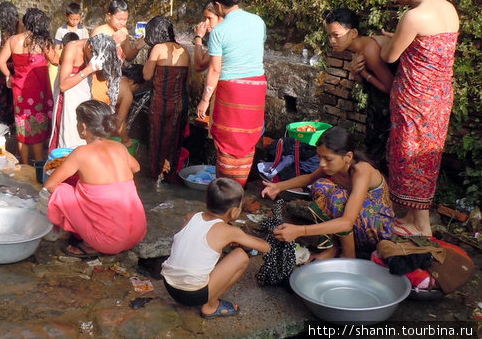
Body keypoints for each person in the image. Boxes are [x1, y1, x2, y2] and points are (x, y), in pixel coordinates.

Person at [374, 0, 459, 237]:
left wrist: (387, 40)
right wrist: (397, 36)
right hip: (439, 96)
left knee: (410, 158)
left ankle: (420, 226)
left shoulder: (413, 16)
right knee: (425, 159)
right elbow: (426, 49)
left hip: (415, 97)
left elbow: (389, 55)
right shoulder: (447, 7)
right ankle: (413, 217)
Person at [261, 126, 395, 259]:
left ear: (348, 156)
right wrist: (278, 187)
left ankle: (348, 256)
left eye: (328, 159)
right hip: (353, 223)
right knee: (320, 186)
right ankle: (335, 247)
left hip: (375, 229)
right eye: (320, 157)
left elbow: (347, 222)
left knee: (337, 198)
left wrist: (300, 231)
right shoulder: (333, 166)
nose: (322, 164)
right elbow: (309, 178)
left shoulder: (361, 170)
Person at [45, 100, 147, 257]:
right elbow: (136, 168)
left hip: (109, 242)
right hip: (138, 234)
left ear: (84, 127)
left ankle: (89, 243)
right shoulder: (119, 147)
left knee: (62, 190)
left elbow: (50, 185)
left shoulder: (81, 153)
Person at [161, 178, 270, 318]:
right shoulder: (229, 232)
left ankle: (206, 297)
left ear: (207, 201)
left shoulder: (192, 217)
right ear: (233, 212)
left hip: (169, 286)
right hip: (192, 295)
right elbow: (265, 247)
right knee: (240, 256)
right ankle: (211, 306)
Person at [197, 0, 267, 187]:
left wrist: (204, 99)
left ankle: (226, 191)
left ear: (217, 5)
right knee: (247, 138)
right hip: (256, 89)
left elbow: (215, 69)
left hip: (233, 91)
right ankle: (241, 187)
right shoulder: (258, 22)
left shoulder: (219, 31)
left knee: (228, 142)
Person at [323, 9, 394, 167]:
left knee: (379, 155)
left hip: (388, 110)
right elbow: (367, 83)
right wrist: (356, 73)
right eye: (330, 35)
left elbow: (389, 87)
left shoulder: (369, 49)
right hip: (377, 107)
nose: (332, 41)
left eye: (337, 35)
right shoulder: (359, 50)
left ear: (353, 32)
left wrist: (363, 73)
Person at [0, 8, 58, 165]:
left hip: (20, 89)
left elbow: (0, 62)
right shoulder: (42, 41)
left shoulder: (13, 40)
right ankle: (39, 164)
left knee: (22, 126)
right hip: (38, 90)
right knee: (37, 127)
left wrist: (9, 76)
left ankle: (24, 164)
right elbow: (55, 60)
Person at [49, 34, 119, 150]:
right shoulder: (72, 48)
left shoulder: (100, 50)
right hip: (68, 97)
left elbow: (103, 78)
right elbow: (63, 85)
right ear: (89, 47)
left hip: (85, 94)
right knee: (68, 131)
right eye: (94, 56)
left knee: (86, 129)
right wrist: (88, 69)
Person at [91, 0, 144, 146]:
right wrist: (112, 43)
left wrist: (137, 48)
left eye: (125, 19)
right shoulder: (98, 32)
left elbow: (128, 57)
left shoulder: (124, 31)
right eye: (119, 19)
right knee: (100, 119)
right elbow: (94, 60)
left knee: (112, 117)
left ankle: (108, 145)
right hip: (100, 79)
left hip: (117, 81)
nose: (122, 23)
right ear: (109, 15)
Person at [142, 16, 190, 183]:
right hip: (180, 104)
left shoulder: (158, 48)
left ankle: (157, 177)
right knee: (174, 141)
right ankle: (170, 176)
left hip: (161, 103)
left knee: (157, 141)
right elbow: (186, 81)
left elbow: (147, 75)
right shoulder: (184, 50)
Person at [193, 3, 224, 72]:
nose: (206, 23)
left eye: (210, 18)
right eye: (205, 18)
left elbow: (199, 66)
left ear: (221, 19)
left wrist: (198, 37)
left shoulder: (220, 36)